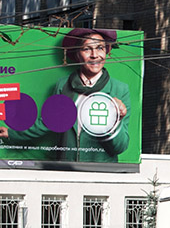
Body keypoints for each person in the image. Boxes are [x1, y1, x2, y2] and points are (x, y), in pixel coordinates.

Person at [0, 28, 131, 161]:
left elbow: (120, 147)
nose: (94, 55)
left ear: (106, 51)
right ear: (77, 54)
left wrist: (115, 120)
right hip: (66, 167)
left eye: (100, 48)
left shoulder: (120, 90)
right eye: (87, 49)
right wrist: (12, 133)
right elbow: (48, 122)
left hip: (101, 170)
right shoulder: (63, 86)